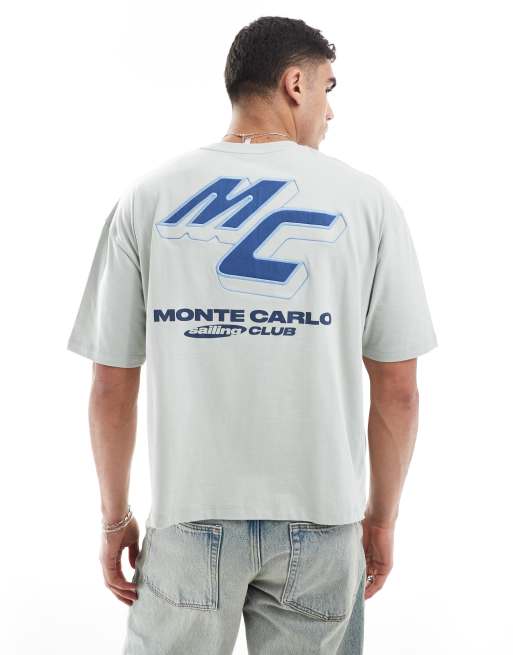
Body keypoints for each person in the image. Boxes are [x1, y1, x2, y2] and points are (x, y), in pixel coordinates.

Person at [67, 15, 437, 655]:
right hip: (323, 518)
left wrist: (114, 517)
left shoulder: (147, 198)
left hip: (189, 515)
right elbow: (398, 390)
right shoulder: (368, 202)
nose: (330, 111)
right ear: (295, 83)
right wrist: (381, 519)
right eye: (327, 88)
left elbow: (111, 384)